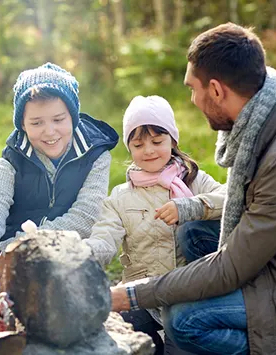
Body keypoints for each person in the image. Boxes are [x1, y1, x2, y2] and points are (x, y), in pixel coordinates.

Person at [110, 23, 276, 354]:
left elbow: (229, 267)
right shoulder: (271, 118)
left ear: (215, 89)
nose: (192, 100)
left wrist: (132, 294)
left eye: (192, 89)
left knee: (182, 318)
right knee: (193, 232)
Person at [0, 63, 119, 299]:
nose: (49, 131)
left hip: (68, 260)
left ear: (72, 117)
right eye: (36, 123)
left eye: (58, 119)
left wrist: (23, 246)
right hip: (13, 265)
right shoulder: (11, 161)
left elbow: (84, 218)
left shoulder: (96, 155)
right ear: (22, 124)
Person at [85, 95, 224, 354]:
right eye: (138, 144)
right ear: (130, 149)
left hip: (184, 294)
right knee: (111, 330)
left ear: (173, 140)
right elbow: (104, 237)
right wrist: (84, 255)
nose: (148, 150)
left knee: (179, 343)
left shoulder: (194, 182)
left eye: (157, 141)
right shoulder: (120, 197)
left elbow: (230, 198)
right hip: (142, 295)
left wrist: (190, 206)